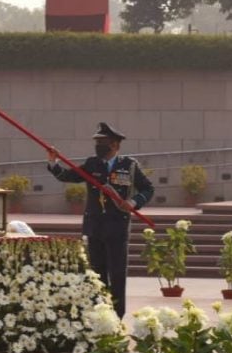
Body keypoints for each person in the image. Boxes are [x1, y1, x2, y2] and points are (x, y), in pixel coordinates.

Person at [46, 122, 155, 318]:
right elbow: (67, 176)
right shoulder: (92, 164)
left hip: (117, 226)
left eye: (103, 142)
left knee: (117, 273)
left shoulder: (129, 166)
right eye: (97, 142)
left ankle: (117, 316)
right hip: (94, 225)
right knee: (96, 272)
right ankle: (99, 314)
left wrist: (134, 201)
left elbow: (148, 188)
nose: (98, 146)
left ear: (115, 145)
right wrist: (54, 162)